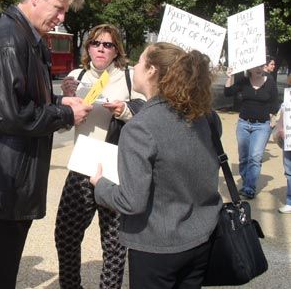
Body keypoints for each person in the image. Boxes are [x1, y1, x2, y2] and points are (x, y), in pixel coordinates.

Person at [0, 0, 92, 289]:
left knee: (2, 270)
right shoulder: (10, 40)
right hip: (4, 181)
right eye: (59, 9)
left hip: (14, 177)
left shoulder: (26, 37)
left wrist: (60, 104)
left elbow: (21, 101)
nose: (62, 18)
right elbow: (8, 114)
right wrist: (64, 116)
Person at [89, 42, 223, 289]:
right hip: (202, 239)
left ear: (151, 70)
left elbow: (131, 201)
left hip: (157, 247)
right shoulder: (207, 116)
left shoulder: (140, 127)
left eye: (139, 61)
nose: (134, 66)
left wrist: (100, 185)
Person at [54, 24, 145, 289]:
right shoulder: (76, 75)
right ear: (88, 47)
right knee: (66, 235)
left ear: (117, 49)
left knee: (114, 242)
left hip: (116, 169)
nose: (101, 49)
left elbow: (147, 116)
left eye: (108, 44)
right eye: (96, 43)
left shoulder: (128, 77)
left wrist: (124, 110)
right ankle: (71, 285)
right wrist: (67, 102)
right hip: (83, 164)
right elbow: (61, 127)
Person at [224, 64, 279, 199]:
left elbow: (275, 102)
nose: (259, 69)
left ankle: (249, 188)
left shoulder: (270, 82)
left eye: (261, 66)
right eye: (256, 67)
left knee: (255, 157)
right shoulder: (243, 82)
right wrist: (229, 77)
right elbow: (228, 92)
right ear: (249, 69)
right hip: (243, 124)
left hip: (262, 126)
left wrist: (272, 116)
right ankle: (246, 182)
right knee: (243, 158)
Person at [273, 109, 291, 214]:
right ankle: (290, 202)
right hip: (288, 139)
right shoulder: (288, 98)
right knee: (289, 172)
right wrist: (280, 129)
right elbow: (283, 114)